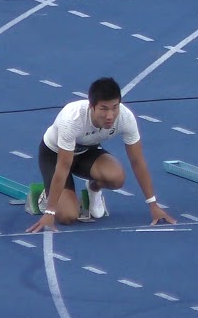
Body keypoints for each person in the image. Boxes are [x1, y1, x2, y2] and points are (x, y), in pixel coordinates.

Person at [26, 78, 175, 232]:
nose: (110, 115)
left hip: (86, 151)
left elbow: (137, 160)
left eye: (114, 107)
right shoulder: (72, 119)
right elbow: (63, 166)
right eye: (104, 109)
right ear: (92, 106)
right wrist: (50, 212)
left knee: (116, 178)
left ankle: (93, 190)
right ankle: (45, 197)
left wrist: (153, 204)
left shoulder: (125, 117)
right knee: (68, 216)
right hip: (55, 155)